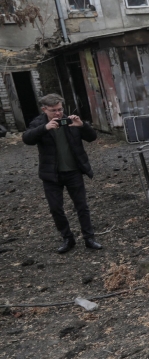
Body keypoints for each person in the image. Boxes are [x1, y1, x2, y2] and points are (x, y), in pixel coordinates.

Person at [22, 94, 103, 253]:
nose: (58, 114)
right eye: (53, 111)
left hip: (73, 171)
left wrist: (82, 125)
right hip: (51, 175)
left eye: (60, 109)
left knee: (82, 206)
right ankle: (68, 239)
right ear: (44, 109)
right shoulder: (39, 123)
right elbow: (27, 138)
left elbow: (92, 137)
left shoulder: (71, 121)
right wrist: (45, 128)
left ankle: (89, 238)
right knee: (55, 208)